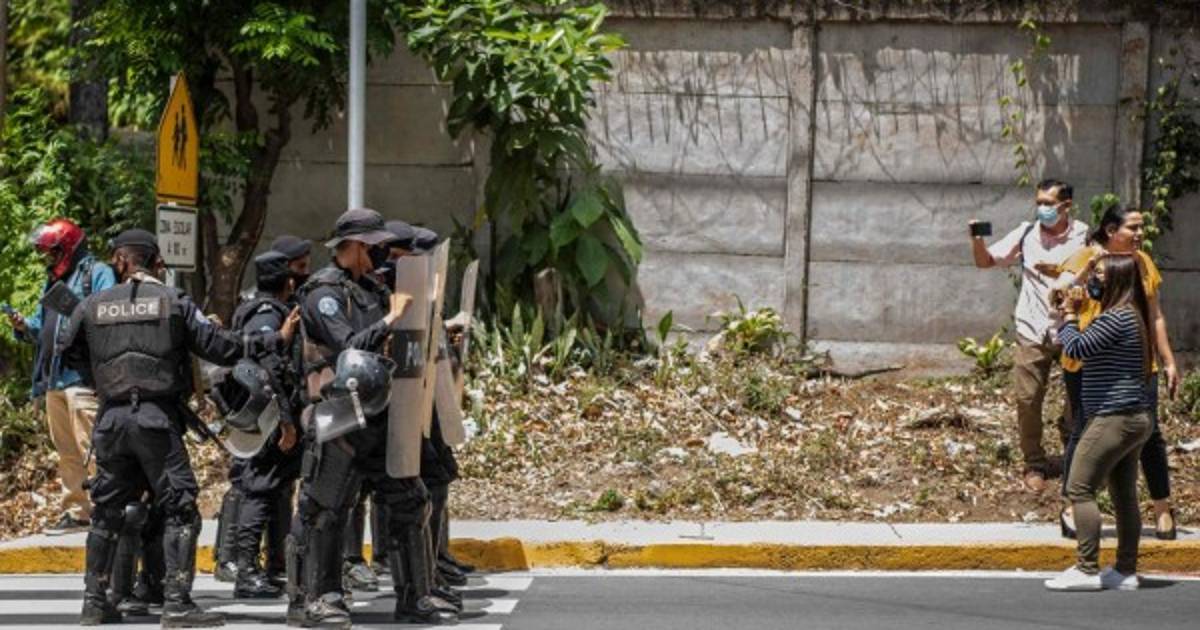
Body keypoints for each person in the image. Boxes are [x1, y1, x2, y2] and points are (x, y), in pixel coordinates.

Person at [59, 228, 299, 626]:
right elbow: (222, 347)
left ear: (120, 261)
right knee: (181, 507)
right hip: (156, 419)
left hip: (111, 420)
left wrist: (106, 381)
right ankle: (176, 603)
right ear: (156, 263)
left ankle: (95, 602)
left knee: (108, 511)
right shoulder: (173, 302)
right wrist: (275, 339)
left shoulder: (92, 305)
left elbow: (67, 353)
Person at [287, 208, 455, 626]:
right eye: (375, 246)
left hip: (378, 412)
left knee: (410, 500)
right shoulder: (323, 293)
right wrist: (390, 318)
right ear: (358, 246)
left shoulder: (372, 289)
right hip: (338, 414)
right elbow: (348, 348)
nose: (381, 253)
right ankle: (319, 599)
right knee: (326, 509)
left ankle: (415, 597)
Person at [1055, 206, 1180, 539]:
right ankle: (1072, 504)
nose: (1139, 234)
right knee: (1083, 429)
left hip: (1138, 362)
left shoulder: (1143, 263)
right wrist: (1088, 270)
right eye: (1133, 228)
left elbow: (1155, 315)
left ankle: (1162, 507)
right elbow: (1059, 293)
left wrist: (1168, 360)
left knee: (1150, 433)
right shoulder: (1086, 258)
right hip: (1087, 362)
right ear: (1111, 230)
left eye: (1141, 227)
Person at [969, 179, 1088, 491]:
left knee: (1078, 399)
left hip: (1073, 329)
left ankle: (1072, 453)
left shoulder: (1084, 236)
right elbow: (985, 261)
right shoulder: (1026, 233)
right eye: (1039, 203)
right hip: (1033, 329)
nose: (1042, 209)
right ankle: (1034, 462)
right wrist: (977, 238)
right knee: (1028, 398)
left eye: (1049, 203)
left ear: (1066, 206)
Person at [1045, 254, 1154, 591]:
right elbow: (1081, 343)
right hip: (1133, 417)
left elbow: (1076, 350)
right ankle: (1125, 571)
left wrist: (1070, 315)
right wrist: (1073, 311)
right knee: (1123, 494)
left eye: (1100, 275)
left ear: (1117, 280)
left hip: (1114, 417)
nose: (1093, 280)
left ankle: (1087, 568)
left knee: (1079, 487)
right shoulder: (1129, 314)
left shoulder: (1116, 317)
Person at [4, 219, 116, 535]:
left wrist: (77, 311)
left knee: (92, 446)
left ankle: (109, 507)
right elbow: (42, 327)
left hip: (83, 377)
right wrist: (24, 325)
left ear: (67, 248)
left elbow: (106, 315)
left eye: (51, 252)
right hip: (55, 377)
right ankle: (78, 511)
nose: (47, 259)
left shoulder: (97, 273)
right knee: (67, 451)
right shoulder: (53, 280)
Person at [214, 235, 312, 583]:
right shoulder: (267, 314)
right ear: (287, 278)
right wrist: (285, 420)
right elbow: (268, 371)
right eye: (299, 269)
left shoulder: (275, 309)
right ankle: (243, 567)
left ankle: (272, 565)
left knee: (272, 486)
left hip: (268, 415)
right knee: (256, 486)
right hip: (265, 417)